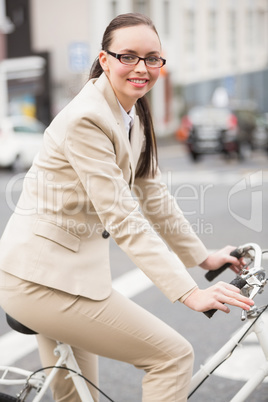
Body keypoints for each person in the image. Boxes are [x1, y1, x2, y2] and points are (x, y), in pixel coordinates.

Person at [0, 13, 253, 402]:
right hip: (39, 281)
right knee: (171, 357)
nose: (142, 68)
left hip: (67, 276)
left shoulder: (134, 110)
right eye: (128, 56)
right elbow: (123, 217)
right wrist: (189, 292)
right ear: (104, 59)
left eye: (152, 58)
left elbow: (152, 195)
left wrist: (202, 258)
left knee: (75, 395)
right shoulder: (87, 118)